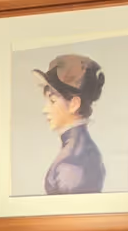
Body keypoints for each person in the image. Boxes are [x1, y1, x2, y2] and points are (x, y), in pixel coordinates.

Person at [33, 54, 106, 195]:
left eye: (52, 101)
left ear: (74, 104)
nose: (45, 110)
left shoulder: (71, 164)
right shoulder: (82, 151)